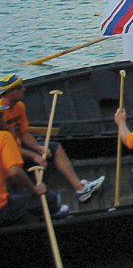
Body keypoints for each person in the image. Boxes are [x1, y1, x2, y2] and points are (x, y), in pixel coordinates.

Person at [0, 74, 105, 202]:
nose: (24, 89)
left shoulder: (19, 107)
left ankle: (80, 189)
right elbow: (6, 148)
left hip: (18, 147)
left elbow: (24, 134)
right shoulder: (1, 112)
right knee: (11, 172)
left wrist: (38, 148)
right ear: (9, 93)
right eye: (19, 87)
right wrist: (33, 156)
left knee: (55, 147)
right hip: (6, 153)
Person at [0, 103, 59, 226]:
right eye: (2, 115)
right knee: (50, 199)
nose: (4, 119)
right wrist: (34, 189)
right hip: (2, 208)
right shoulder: (4, 137)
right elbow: (15, 172)